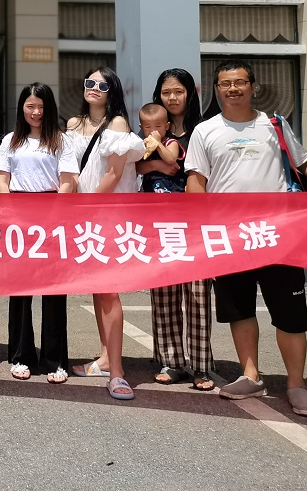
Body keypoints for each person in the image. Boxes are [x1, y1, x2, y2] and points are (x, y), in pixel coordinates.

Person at [185, 60, 307, 417]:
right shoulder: (205, 131)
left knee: (290, 313)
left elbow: (305, 163)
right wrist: (201, 230)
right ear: (217, 89)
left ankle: (296, 385)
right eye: (225, 84)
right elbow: (196, 181)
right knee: (239, 309)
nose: (233, 89)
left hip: (278, 234)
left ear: (253, 86)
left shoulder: (274, 124)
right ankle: (251, 375)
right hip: (230, 236)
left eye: (240, 82)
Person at [62, 66, 145, 401]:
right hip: (82, 217)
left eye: (102, 85)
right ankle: (104, 358)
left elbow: (114, 174)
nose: (94, 88)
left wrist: (88, 206)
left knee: (109, 290)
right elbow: (69, 170)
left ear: (113, 91)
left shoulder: (118, 124)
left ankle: (117, 373)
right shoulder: (73, 124)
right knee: (97, 288)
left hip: (108, 215)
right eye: (89, 83)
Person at [140, 67, 215, 391]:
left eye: (178, 92)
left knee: (197, 295)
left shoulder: (203, 130)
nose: (172, 98)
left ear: (190, 94)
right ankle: (171, 361)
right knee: (164, 293)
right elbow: (136, 165)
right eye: (166, 92)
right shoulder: (151, 128)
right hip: (159, 223)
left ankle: (200, 366)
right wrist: (158, 163)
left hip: (197, 223)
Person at [0, 83, 71, 384]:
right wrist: (10, 212)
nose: (36, 112)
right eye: (30, 106)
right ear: (22, 108)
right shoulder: (11, 140)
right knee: (20, 293)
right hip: (18, 216)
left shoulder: (60, 140)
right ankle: (20, 356)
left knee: (54, 292)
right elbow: (2, 180)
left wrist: (55, 216)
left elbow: (67, 181)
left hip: (52, 217)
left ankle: (54, 360)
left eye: (41, 107)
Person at [136, 103, 182, 194]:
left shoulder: (171, 143)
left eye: (158, 126)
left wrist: (158, 143)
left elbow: (171, 159)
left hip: (172, 187)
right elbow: (138, 168)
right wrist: (156, 165)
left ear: (167, 126)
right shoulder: (142, 146)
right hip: (149, 188)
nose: (153, 131)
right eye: (148, 127)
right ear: (141, 128)